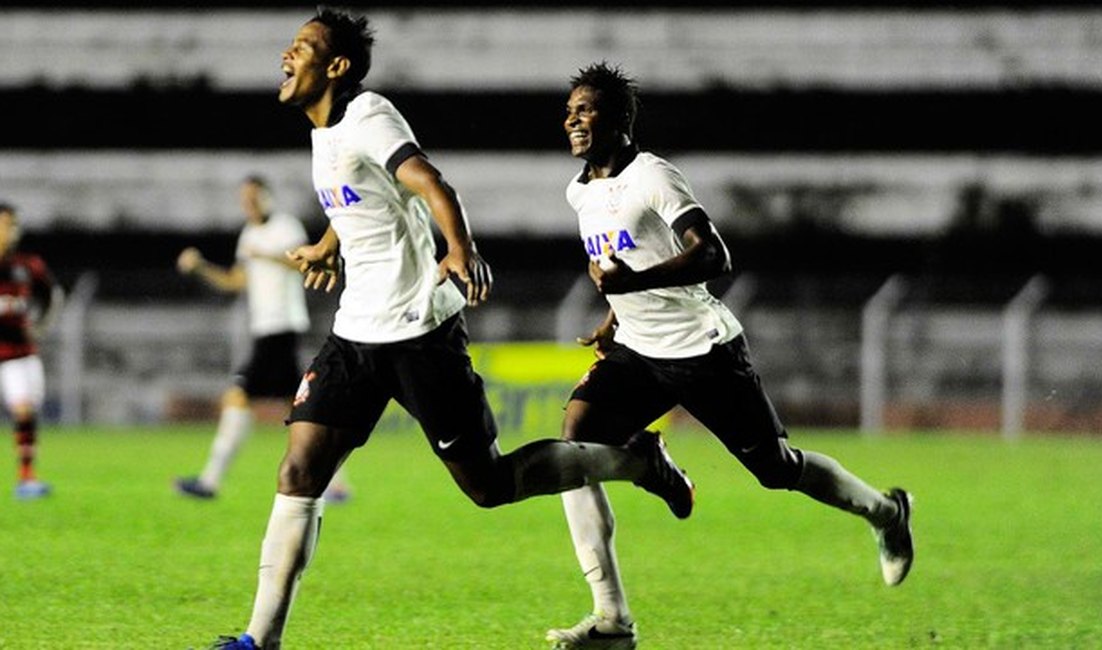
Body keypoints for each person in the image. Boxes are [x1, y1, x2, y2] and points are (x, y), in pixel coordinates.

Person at [207, 11, 693, 650]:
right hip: (355, 334)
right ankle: (258, 639)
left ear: (337, 67)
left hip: (418, 332)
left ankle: (635, 462)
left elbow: (430, 182)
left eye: (301, 47)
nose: (284, 56)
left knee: (488, 486)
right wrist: (330, 242)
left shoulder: (369, 115)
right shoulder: (324, 132)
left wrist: (458, 248)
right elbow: (363, 198)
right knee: (298, 472)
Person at [545, 63, 915, 650]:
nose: (572, 119)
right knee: (573, 446)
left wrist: (630, 286)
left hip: (703, 351)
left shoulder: (654, 177)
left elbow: (712, 255)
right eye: (569, 110)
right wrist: (615, 318)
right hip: (638, 352)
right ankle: (611, 618)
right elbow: (631, 261)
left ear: (618, 119)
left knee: (777, 470)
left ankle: (887, 512)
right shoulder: (579, 191)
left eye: (585, 109)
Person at [173, 176, 351, 503]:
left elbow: (301, 262)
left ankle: (210, 481)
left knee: (239, 395)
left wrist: (264, 254)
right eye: (245, 198)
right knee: (300, 407)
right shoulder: (249, 235)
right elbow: (236, 281)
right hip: (265, 330)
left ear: (268, 197)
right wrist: (200, 267)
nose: (249, 203)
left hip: (283, 327)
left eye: (255, 196)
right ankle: (337, 484)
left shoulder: (286, 227)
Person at [0, 203, 63, 500]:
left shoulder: (27, 266)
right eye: (3, 224)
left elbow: (52, 295)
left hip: (22, 351)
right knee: (23, 408)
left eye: (11, 225)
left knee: (28, 412)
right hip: (4, 354)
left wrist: (39, 327)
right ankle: (26, 478)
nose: (7, 231)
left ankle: (27, 476)